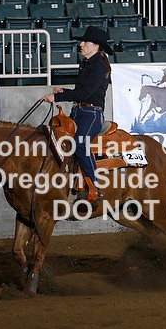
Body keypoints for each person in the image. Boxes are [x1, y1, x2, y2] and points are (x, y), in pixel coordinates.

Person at [41, 26, 113, 204]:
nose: (81, 45)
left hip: (91, 114)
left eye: (85, 42)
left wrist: (57, 97)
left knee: (80, 144)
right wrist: (64, 91)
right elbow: (82, 92)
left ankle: (94, 186)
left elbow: (86, 94)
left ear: (96, 45)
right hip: (79, 111)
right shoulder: (87, 63)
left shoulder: (99, 66)